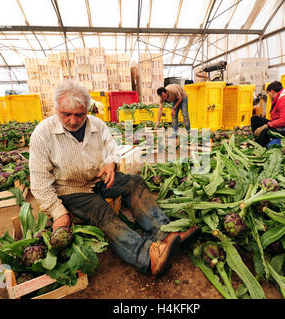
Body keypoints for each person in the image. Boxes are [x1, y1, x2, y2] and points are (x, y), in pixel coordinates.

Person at [29, 80, 199, 277]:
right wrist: (58, 212)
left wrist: (111, 163)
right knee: (100, 210)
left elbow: (112, 151)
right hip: (70, 189)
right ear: (56, 108)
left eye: (80, 114)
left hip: (99, 179)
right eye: (66, 114)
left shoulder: (98, 126)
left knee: (134, 183)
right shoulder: (43, 134)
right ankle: (147, 256)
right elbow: (40, 182)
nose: (73, 121)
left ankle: (164, 233)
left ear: (88, 109)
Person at [250, 81, 285, 147]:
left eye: (269, 95)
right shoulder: (280, 99)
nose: (269, 97)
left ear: (272, 92)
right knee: (255, 119)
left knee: (266, 131)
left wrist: (267, 125)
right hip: (281, 126)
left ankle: (258, 147)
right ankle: (257, 139)